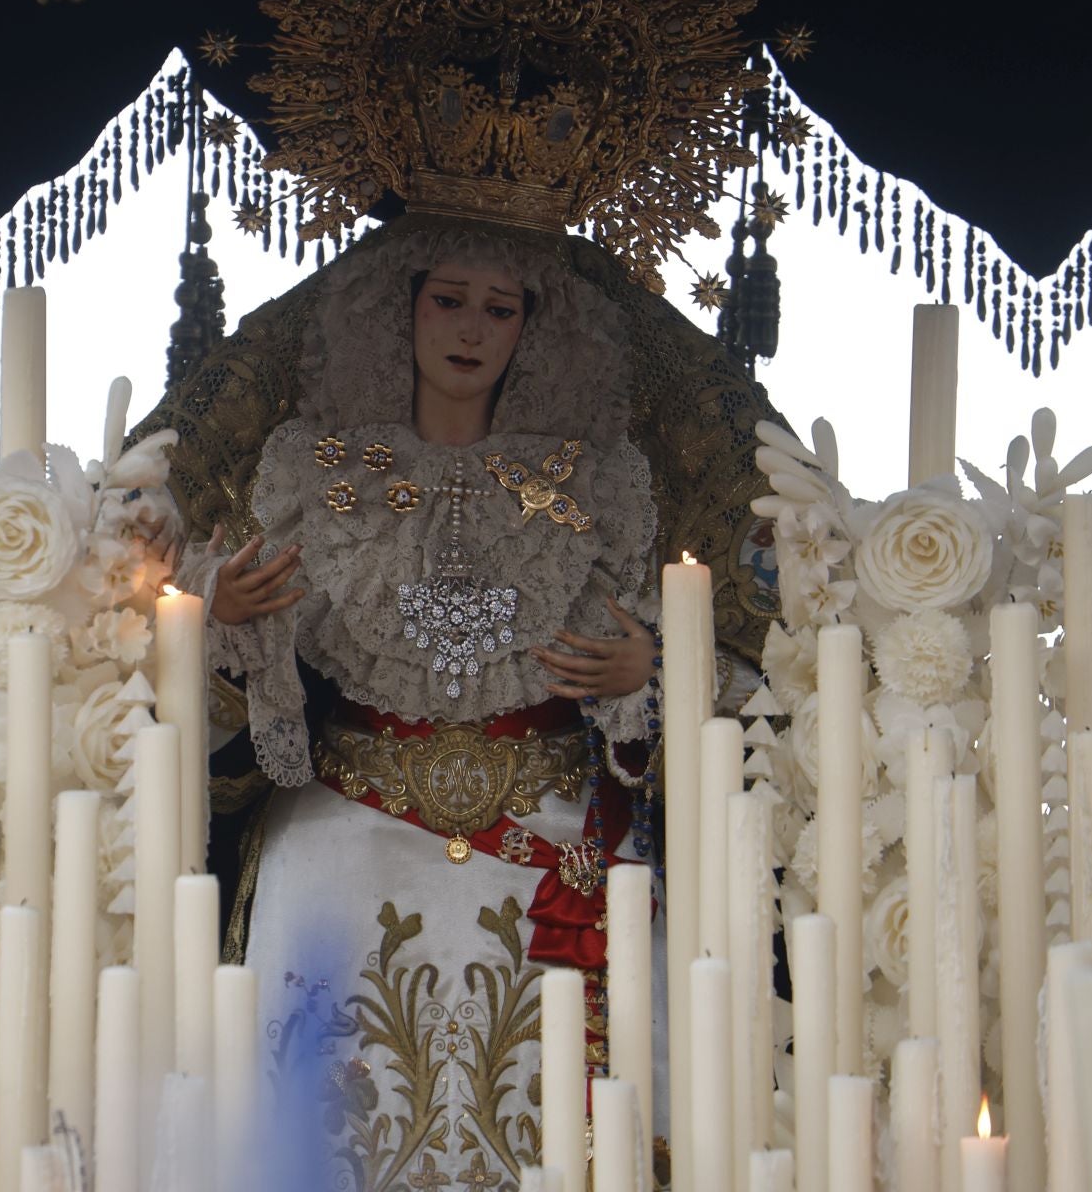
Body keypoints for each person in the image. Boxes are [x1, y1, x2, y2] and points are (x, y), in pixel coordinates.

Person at [146, 215, 777, 1190]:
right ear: (397, 312)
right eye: (449, 299)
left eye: (501, 306)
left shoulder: (598, 481)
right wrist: (218, 612)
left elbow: (702, 660)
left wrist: (648, 672)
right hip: (346, 814)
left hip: (554, 830)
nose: (472, 329)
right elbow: (210, 658)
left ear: (536, 328)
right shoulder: (315, 468)